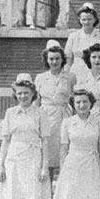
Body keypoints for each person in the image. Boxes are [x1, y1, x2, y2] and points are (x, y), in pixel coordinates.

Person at [0, 73, 51, 199]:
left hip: (33, 158)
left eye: (26, 93)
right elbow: (5, 141)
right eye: (19, 93)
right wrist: (0, 166)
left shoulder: (40, 113)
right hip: (14, 159)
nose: (23, 96)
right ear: (15, 94)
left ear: (33, 93)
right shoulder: (10, 113)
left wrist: (45, 166)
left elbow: (45, 141)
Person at [34, 40, 76, 182]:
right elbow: (36, 101)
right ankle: (47, 187)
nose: (54, 61)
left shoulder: (70, 77)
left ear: (62, 59)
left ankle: (63, 190)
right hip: (46, 116)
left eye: (57, 58)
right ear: (46, 60)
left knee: (64, 151)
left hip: (64, 116)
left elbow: (75, 100)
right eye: (51, 58)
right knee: (48, 153)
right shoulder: (40, 78)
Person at [64, 3, 100, 78]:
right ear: (80, 20)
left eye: (89, 19)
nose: (86, 22)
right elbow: (68, 60)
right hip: (77, 75)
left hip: (96, 75)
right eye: (84, 19)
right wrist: (66, 75)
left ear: (94, 20)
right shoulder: (73, 37)